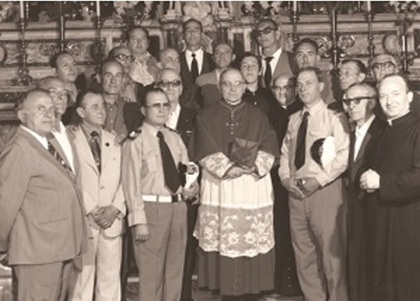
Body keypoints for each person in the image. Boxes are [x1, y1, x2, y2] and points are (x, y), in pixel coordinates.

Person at [189, 68, 279, 301]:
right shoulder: (205, 115)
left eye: (237, 83)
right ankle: (224, 289)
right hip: (221, 187)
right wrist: (229, 168)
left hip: (251, 186)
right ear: (219, 86)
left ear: (245, 86)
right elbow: (203, 146)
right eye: (227, 84)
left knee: (250, 241)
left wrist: (253, 166)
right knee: (223, 240)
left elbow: (270, 145)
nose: (232, 89)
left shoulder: (258, 115)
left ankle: (252, 290)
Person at [0, 89, 87, 301]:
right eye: (40, 109)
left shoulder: (47, 142)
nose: (49, 114)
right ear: (22, 115)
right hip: (38, 250)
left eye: (51, 108)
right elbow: (5, 204)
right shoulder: (19, 149)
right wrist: (2, 247)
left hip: (60, 247)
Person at [279, 67, 350, 301]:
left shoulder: (334, 118)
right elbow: (285, 153)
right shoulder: (294, 119)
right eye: (299, 84)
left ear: (321, 86)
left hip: (324, 193)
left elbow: (344, 155)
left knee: (332, 257)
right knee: (304, 255)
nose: (302, 88)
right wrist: (286, 179)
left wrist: (318, 180)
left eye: (308, 83)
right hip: (296, 194)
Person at [122, 88, 198, 301]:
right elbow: (130, 184)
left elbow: (187, 171)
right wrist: (138, 221)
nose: (162, 109)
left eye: (165, 105)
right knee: (151, 273)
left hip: (177, 208)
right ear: (144, 110)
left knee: (175, 270)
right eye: (156, 105)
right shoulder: (135, 141)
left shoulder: (174, 138)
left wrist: (193, 187)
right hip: (151, 210)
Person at [359, 74, 420, 301]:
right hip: (381, 220)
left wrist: (381, 182)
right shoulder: (381, 131)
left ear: (409, 97)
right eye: (383, 96)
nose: (389, 101)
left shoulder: (417, 129)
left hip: (409, 222)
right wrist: (364, 180)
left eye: (395, 94)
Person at [69, 90, 126, 301]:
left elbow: (126, 179)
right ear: (81, 111)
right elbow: (70, 180)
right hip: (85, 218)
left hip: (111, 220)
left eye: (103, 105)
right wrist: (92, 208)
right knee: (82, 279)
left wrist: (115, 208)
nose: (101, 110)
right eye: (95, 107)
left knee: (110, 278)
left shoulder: (116, 141)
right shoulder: (70, 140)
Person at [155, 68, 197, 301]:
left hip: (187, 194)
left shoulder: (194, 115)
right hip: (157, 194)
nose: (170, 88)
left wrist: (196, 184)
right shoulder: (149, 118)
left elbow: (199, 155)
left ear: (181, 88)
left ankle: (184, 296)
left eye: (175, 83)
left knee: (185, 247)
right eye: (164, 83)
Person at [342, 83, 386, 301]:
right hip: (354, 208)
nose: (351, 106)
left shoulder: (383, 130)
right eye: (347, 101)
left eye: (356, 101)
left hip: (376, 208)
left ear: (373, 101)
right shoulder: (349, 131)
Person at [269, 74, 302, 296]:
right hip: (274, 180)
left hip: (298, 179)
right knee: (279, 230)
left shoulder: (301, 113)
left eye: (288, 87)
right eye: (278, 88)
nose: (283, 92)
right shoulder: (266, 114)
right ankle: (280, 282)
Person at [38, 76, 76, 172]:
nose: (61, 97)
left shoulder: (70, 133)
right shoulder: (35, 135)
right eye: (53, 91)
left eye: (64, 93)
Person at [100, 60, 143, 138]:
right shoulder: (89, 105)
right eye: (108, 75)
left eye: (118, 76)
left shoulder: (132, 108)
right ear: (99, 78)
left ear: (122, 79)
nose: (113, 81)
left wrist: (127, 139)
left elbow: (139, 133)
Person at [369, 53, 420, 119]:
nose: (382, 70)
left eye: (388, 66)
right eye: (377, 67)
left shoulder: (408, 95)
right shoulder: (369, 96)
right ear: (372, 73)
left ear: (396, 70)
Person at [180, 19, 215, 110]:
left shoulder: (212, 60)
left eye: (196, 30)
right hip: (182, 110)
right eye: (188, 30)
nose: (192, 33)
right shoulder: (176, 60)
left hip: (208, 110)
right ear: (183, 35)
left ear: (201, 34)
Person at [293, 38, 335, 104]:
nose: (305, 58)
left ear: (317, 58)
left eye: (310, 54)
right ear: (295, 60)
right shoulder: (290, 83)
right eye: (300, 55)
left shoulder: (329, 81)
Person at [255, 19, 295, 88]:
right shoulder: (255, 62)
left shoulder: (292, 59)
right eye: (259, 33)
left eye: (267, 31)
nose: (262, 35)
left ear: (277, 34)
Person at [196, 43, 235, 107]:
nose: (222, 56)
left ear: (233, 57)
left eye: (226, 53)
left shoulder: (241, 78)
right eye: (217, 53)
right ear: (213, 58)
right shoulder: (202, 80)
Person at [51, 51, 84, 124]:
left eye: (74, 64)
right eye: (65, 65)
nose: (72, 69)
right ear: (55, 71)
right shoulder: (52, 97)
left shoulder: (83, 93)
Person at [240, 52, 276, 117]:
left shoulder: (268, 95)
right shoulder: (236, 95)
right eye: (245, 66)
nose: (249, 69)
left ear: (260, 71)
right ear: (240, 71)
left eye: (253, 65)